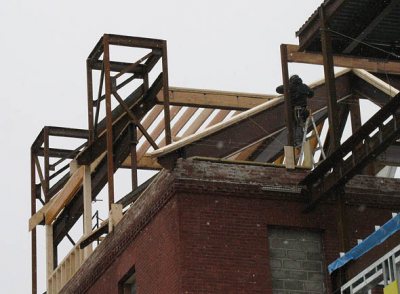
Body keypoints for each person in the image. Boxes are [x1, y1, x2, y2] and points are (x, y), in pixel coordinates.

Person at [276, 75, 314, 147]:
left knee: (293, 126)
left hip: (294, 111)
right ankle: (299, 141)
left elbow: (278, 89)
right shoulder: (304, 86)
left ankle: (297, 142)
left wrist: (287, 85)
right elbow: (311, 94)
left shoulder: (290, 86)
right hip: (303, 111)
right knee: (299, 126)